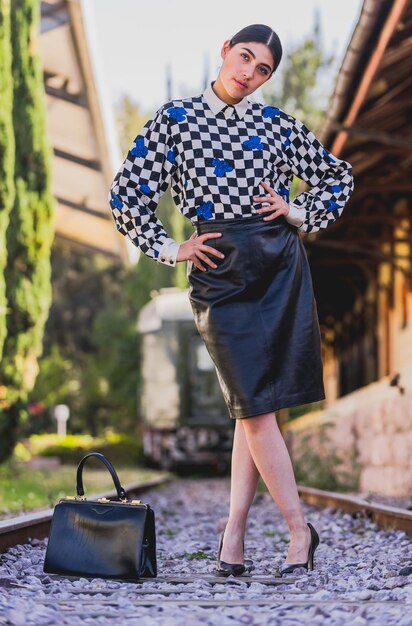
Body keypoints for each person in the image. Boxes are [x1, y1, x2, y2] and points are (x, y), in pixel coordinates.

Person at [109, 23, 354, 576]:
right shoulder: (176, 119)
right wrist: (173, 249)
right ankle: (300, 531)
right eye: (245, 57)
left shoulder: (277, 124)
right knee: (254, 403)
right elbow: (126, 196)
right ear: (225, 50)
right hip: (218, 270)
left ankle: (234, 538)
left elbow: (337, 178)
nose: (249, 73)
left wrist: (296, 212)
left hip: (279, 264)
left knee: (257, 408)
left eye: (263, 69)